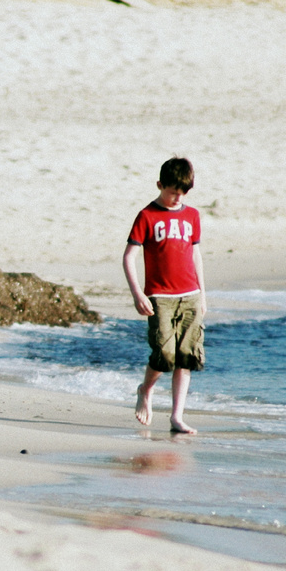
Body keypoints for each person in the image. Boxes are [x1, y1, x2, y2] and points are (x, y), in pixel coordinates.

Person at [123, 157, 206, 434]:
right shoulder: (147, 216)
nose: (176, 198)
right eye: (172, 192)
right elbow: (129, 257)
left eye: (182, 194)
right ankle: (145, 390)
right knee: (164, 355)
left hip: (191, 294)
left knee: (187, 356)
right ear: (160, 185)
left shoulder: (192, 215)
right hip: (160, 296)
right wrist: (138, 294)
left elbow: (195, 255)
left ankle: (176, 416)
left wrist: (203, 296)